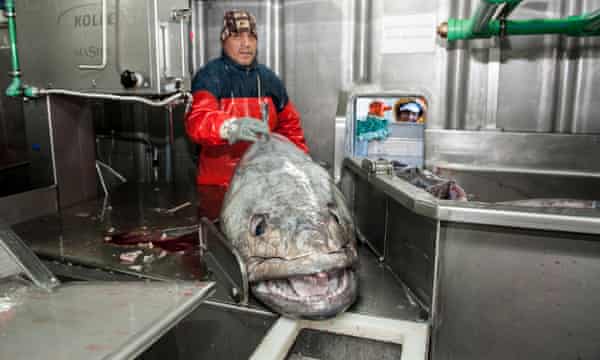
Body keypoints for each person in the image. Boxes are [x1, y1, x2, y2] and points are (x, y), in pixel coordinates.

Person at [185, 10, 308, 219]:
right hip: (218, 188)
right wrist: (230, 127)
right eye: (236, 36)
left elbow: (290, 129)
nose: (246, 43)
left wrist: (302, 167)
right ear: (224, 41)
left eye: (251, 36)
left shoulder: (269, 80)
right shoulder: (209, 76)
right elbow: (197, 121)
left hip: (263, 186)